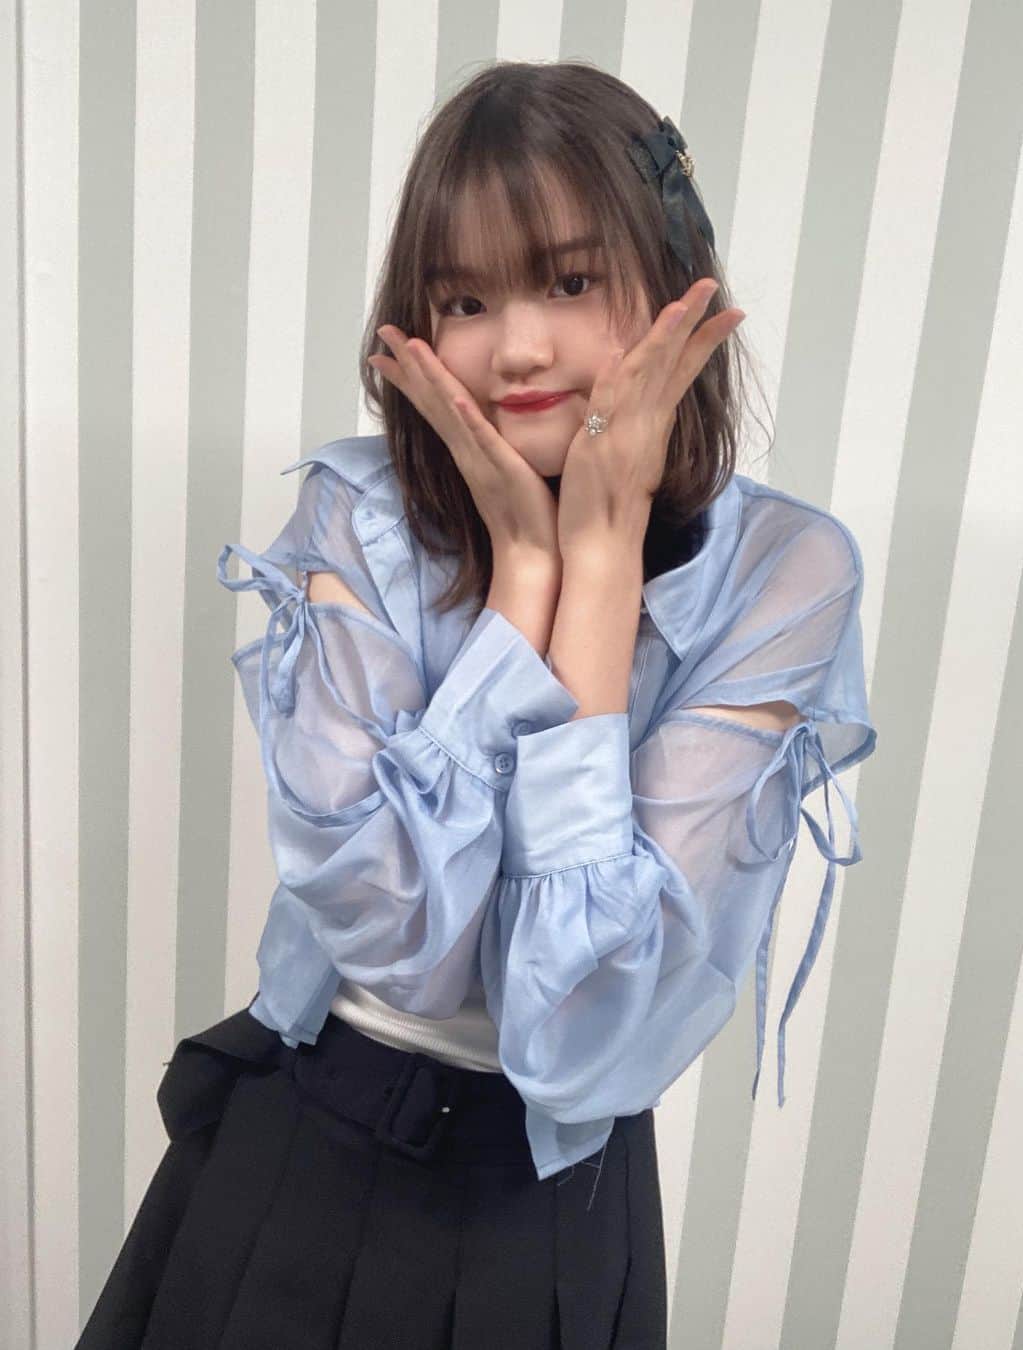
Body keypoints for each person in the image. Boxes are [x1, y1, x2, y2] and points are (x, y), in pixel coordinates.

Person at [76, 59, 877, 1350]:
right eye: (464, 299)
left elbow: (582, 1036)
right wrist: (524, 583)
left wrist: (602, 567)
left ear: (678, 282)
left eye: (569, 281)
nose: (516, 347)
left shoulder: (784, 573)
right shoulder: (355, 517)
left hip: (553, 1218)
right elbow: (398, 934)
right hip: (304, 1161)